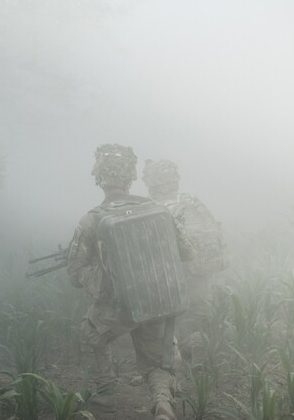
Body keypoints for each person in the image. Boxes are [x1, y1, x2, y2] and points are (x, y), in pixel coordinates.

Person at [67, 144, 194, 420]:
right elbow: (187, 252)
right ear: (130, 177)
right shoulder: (157, 210)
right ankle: (163, 403)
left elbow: (75, 272)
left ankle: (104, 399)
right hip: (156, 299)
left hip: (116, 308)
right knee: (156, 359)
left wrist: (102, 281)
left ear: (100, 177)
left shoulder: (92, 219)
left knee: (91, 338)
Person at [142, 159, 228, 358]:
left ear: (152, 182)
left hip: (176, 273)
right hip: (202, 268)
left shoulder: (152, 208)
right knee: (199, 309)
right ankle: (207, 351)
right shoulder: (191, 202)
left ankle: (181, 356)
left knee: (173, 319)